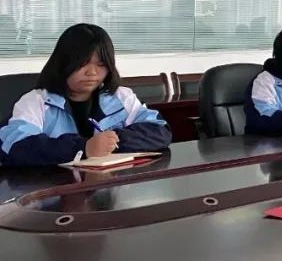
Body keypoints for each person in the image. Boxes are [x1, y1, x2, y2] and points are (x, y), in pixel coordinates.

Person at [0, 23, 172, 166]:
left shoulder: (119, 97)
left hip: (106, 187)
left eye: (101, 64)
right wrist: (84, 147)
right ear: (63, 63)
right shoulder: (36, 101)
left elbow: (160, 130)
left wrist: (112, 141)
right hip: (51, 189)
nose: (92, 72)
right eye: (83, 63)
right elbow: (14, 146)